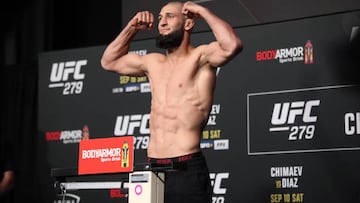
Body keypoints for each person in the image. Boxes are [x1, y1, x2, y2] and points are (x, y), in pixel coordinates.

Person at [101, 1, 242, 202]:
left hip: (186, 170)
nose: (162, 22)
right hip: (152, 170)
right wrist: (132, 27)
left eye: (170, 16)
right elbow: (108, 61)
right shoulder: (152, 62)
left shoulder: (201, 58)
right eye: (160, 18)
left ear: (188, 24)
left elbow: (232, 45)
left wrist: (202, 11)